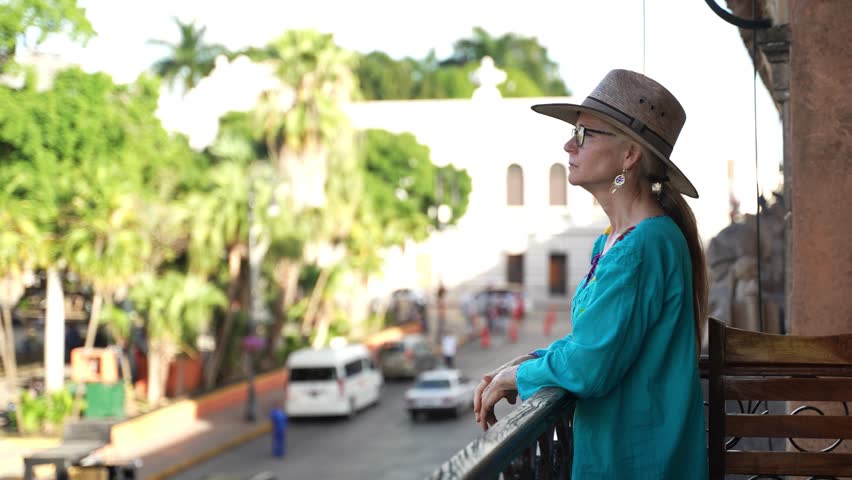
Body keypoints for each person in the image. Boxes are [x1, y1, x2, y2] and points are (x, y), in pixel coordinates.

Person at [473, 69, 709, 479]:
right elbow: (597, 339)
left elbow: (589, 366)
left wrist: (515, 375)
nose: (568, 144)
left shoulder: (642, 245)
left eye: (584, 135)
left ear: (629, 156)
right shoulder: (614, 241)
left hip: (639, 464)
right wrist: (533, 358)